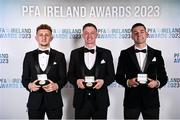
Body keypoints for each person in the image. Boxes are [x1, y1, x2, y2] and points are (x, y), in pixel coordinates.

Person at [115, 23, 168, 119]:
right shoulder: (124, 54)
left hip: (151, 101)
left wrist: (156, 83)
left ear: (147, 34)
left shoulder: (157, 54)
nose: (139, 34)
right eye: (135, 32)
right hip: (131, 101)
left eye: (141, 32)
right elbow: (118, 76)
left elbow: (164, 77)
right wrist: (128, 82)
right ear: (131, 36)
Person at [68, 23, 115, 119]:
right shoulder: (75, 53)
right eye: (86, 33)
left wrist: (103, 82)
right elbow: (70, 75)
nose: (89, 36)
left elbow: (111, 75)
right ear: (82, 35)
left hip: (100, 101)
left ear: (96, 35)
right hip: (80, 100)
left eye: (92, 33)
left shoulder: (106, 53)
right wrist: (76, 81)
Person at [21, 24, 67, 119]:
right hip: (34, 102)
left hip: (54, 102)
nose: (44, 38)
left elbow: (63, 78)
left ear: (51, 38)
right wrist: (30, 86)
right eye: (41, 35)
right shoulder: (28, 56)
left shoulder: (60, 56)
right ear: (36, 38)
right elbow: (24, 78)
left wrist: (56, 86)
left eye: (47, 35)